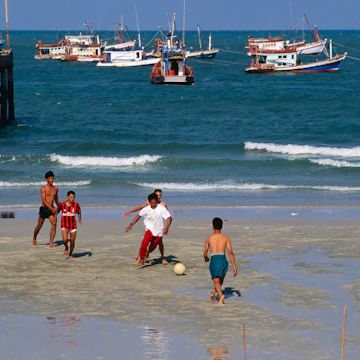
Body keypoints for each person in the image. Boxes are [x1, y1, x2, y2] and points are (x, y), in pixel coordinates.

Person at [126, 193, 172, 266]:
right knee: (144, 243)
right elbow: (138, 216)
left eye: (154, 203)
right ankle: (141, 258)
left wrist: (166, 228)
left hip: (159, 230)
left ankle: (148, 252)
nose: (153, 205)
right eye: (151, 203)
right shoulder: (146, 209)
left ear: (157, 201)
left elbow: (169, 218)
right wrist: (131, 225)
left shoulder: (162, 208)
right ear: (149, 202)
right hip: (149, 228)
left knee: (153, 246)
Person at [204, 217, 237, 305]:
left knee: (216, 281)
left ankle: (220, 295)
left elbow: (205, 253)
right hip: (223, 260)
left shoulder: (209, 239)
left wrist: (206, 259)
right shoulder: (226, 238)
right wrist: (234, 267)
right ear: (222, 226)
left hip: (214, 260)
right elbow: (231, 253)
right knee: (220, 281)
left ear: (212, 226)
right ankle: (213, 293)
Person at [33, 171, 60, 247]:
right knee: (39, 225)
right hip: (44, 209)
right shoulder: (43, 188)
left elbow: (56, 199)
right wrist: (51, 208)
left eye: (53, 178)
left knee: (54, 224)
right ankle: (34, 238)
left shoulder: (55, 188)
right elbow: (44, 201)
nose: (52, 180)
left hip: (52, 210)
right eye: (50, 178)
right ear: (47, 179)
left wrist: (59, 207)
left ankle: (51, 243)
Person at [57, 191, 82, 260]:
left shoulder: (76, 205)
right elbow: (57, 211)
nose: (72, 199)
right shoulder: (62, 204)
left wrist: (79, 219)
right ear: (67, 197)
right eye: (71, 197)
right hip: (64, 224)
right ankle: (66, 247)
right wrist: (54, 217)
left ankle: (70, 254)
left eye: (73, 197)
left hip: (73, 225)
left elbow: (79, 212)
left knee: (72, 242)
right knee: (65, 239)